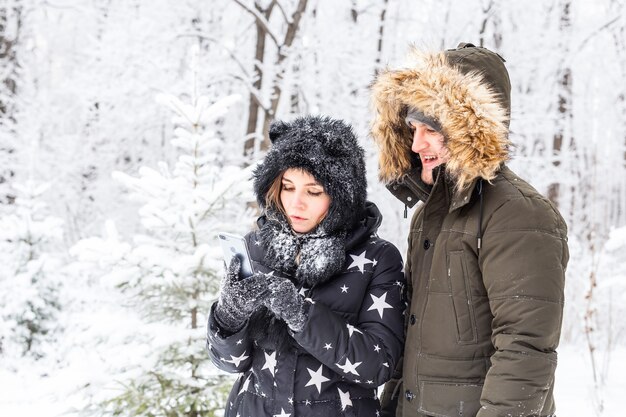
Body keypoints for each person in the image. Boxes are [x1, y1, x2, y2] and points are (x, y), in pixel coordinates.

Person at [370, 43, 569, 417]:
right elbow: (411, 338)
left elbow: (525, 349)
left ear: (469, 128)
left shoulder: (519, 215)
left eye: (431, 129)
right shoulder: (430, 215)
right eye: (413, 128)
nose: (417, 144)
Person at [207, 115, 406, 417]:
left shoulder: (378, 259)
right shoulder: (256, 248)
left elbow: (378, 367)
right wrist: (229, 318)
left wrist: (302, 315)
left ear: (342, 196)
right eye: (288, 187)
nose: (296, 204)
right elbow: (228, 364)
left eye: (313, 191)